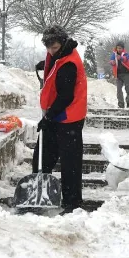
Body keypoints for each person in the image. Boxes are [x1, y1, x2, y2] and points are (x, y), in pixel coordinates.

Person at [33, 26, 88, 213]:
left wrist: (48, 117)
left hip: (69, 116)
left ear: (63, 43)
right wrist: (45, 64)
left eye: (54, 48)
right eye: (48, 47)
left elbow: (65, 97)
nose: (50, 51)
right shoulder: (59, 54)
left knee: (70, 162)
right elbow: (54, 63)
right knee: (43, 155)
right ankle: (38, 191)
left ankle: (72, 203)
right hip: (56, 115)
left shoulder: (69, 64)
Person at [110, 42, 129, 108]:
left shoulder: (125, 54)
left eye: (120, 48)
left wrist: (121, 58)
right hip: (118, 75)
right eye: (117, 48)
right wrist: (112, 62)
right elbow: (111, 61)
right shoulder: (113, 54)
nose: (118, 49)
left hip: (126, 74)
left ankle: (128, 101)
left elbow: (126, 59)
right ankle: (121, 104)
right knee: (119, 90)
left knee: (128, 89)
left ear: (123, 48)